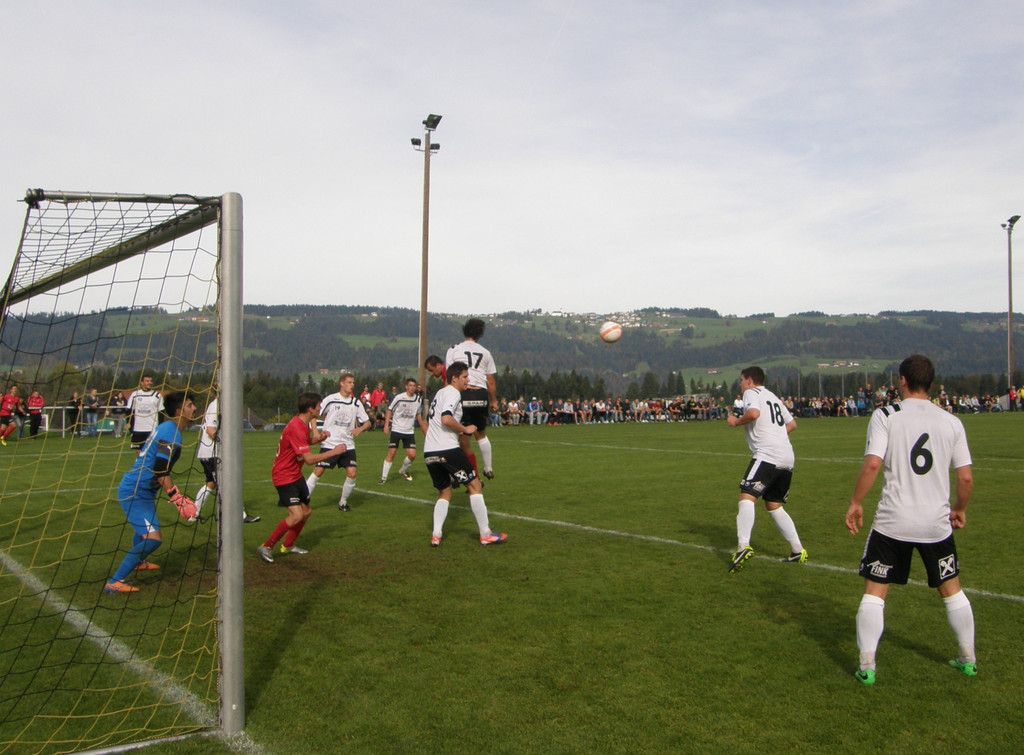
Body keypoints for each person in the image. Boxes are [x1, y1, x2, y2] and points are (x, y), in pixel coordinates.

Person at [844, 354, 976, 686]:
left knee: (875, 593)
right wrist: (959, 508)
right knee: (952, 590)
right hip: (935, 524)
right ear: (930, 383)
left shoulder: (886, 415)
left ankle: (867, 667)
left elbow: (873, 464)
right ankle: (968, 659)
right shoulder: (951, 421)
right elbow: (965, 478)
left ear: (901, 380)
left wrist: (856, 502)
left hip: (893, 521)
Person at [104, 391, 199, 594]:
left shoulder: (169, 429)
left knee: (145, 531)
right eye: (190, 405)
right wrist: (177, 498)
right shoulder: (170, 433)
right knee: (153, 538)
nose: (194, 408)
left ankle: (139, 562)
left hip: (143, 492)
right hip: (135, 491)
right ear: (179, 411)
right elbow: (160, 469)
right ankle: (115, 582)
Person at [725, 366, 807, 572]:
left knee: (747, 496)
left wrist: (736, 422)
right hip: (787, 456)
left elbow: (753, 413)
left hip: (767, 454)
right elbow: (792, 425)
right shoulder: (773, 396)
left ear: (749, 380)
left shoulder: (751, 393)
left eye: (741, 380)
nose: (740, 384)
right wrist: (776, 435)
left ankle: (743, 545)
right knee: (773, 504)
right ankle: (798, 550)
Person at [424, 361, 507, 547]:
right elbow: (446, 419)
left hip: (429, 452)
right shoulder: (453, 393)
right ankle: (485, 534)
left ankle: (436, 535)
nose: (468, 380)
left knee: (445, 492)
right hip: (447, 449)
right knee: (475, 485)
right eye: (465, 377)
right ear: (454, 378)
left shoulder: (440, 393)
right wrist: (464, 429)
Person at [257, 392, 346, 563]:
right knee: (296, 515)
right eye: (318, 406)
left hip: (295, 475)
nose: (320, 408)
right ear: (310, 409)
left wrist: (318, 439)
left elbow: (303, 442)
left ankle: (288, 545)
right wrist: (333, 452)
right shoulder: (297, 427)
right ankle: (267, 546)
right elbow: (309, 460)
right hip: (283, 476)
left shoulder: (302, 424)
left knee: (306, 512)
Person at [306, 373, 371, 511]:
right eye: (349, 382)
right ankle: (303, 500)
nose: (352, 385)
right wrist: (316, 434)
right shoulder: (331, 399)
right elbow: (313, 416)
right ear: (341, 383)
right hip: (330, 443)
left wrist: (359, 429)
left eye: (353, 383)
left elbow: (367, 422)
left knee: (352, 473)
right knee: (318, 471)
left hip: (348, 445)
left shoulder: (355, 402)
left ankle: (343, 503)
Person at [194, 394, 261, 524]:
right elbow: (210, 430)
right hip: (212, 453)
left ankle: (193, 513)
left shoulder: (221, 404)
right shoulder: (216, 405)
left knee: (212, 484)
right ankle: (240, 515)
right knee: (227, 483)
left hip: (209, 453)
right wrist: (226, 442)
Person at [445, 318, 498, 479]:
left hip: (463, 393)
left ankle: (457, 475)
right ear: (480, 335)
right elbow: (490, 381)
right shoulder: (485, 352)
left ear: (464, 331)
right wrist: (494, 401)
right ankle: (488, 468)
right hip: (481, 394)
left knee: (459, 438)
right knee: (481, 434)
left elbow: (449, 377)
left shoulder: (454, 350)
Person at [380, 378, 428, 484]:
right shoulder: (399, 397)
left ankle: (403, 470)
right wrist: (386, 425)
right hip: (396, 429)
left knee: (412, 455)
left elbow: (418, 415)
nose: (412, 388)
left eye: (414, 386)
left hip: (409, 431)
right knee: (392, 453)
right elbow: (389, 410)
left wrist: (423, 430)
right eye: (410, 385)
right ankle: (383, 478)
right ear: (406, 387)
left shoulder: (417, 399)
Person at [127, 375, 163, 454]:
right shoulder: (135, 394)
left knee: (152, 452)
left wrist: (160, 428)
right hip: (138, 429)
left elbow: (161, 413)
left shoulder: (157, 395)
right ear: (142, 383)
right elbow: (129, 410)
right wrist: (129, 424)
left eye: (151, 381)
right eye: (147, 381)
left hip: (152, 429)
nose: (150, 383)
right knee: (139, 453)